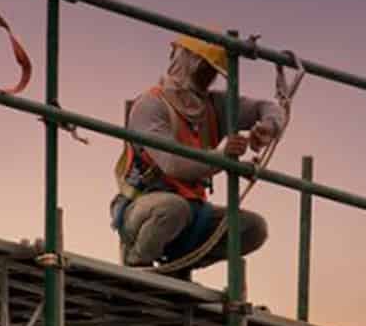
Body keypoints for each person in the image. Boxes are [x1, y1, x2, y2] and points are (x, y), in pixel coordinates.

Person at [111, 33, 286, 269]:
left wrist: (268, 126)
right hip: (144, 208)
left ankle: (178, 266)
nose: (208, 76)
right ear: (186, 60)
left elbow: (267, 107)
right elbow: (174, 164)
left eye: (212, 70)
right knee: (172, 209)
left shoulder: (213, 106)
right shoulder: (151, 105)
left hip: (194, 211)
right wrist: (222, 158)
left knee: (252, 228)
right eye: (204, 67)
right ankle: (138, 263)